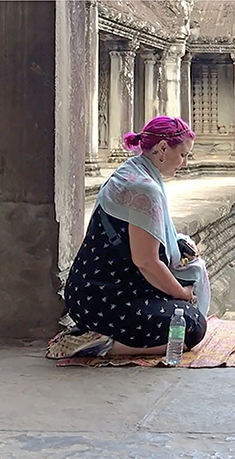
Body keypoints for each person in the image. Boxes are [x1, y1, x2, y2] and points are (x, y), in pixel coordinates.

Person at [47, 116, 210, 359]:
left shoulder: (129, 171)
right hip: (104, 299)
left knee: (180, 305)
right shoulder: (144, 189)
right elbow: (146, 262)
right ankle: (102, 346)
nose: (184, 163)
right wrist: (181, 293)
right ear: (163, 148)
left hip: (89, 293)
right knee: (191, 325)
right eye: (183, 154)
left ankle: (97, 335)